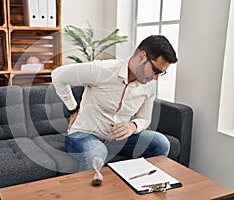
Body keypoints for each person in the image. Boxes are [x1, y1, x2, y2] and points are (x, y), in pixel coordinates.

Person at [51, 35, 178, 172]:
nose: (156, 78)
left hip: (118, 140)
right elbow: (58, 75)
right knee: (96, 153)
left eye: (161, 73)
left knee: (160, 143)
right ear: (141, 57)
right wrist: (73, 109)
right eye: (155, 70)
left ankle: (143, 186)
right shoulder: (102, 70)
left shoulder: (149, 85)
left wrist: (133, 126)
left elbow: (144, 119)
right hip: (84, 135)